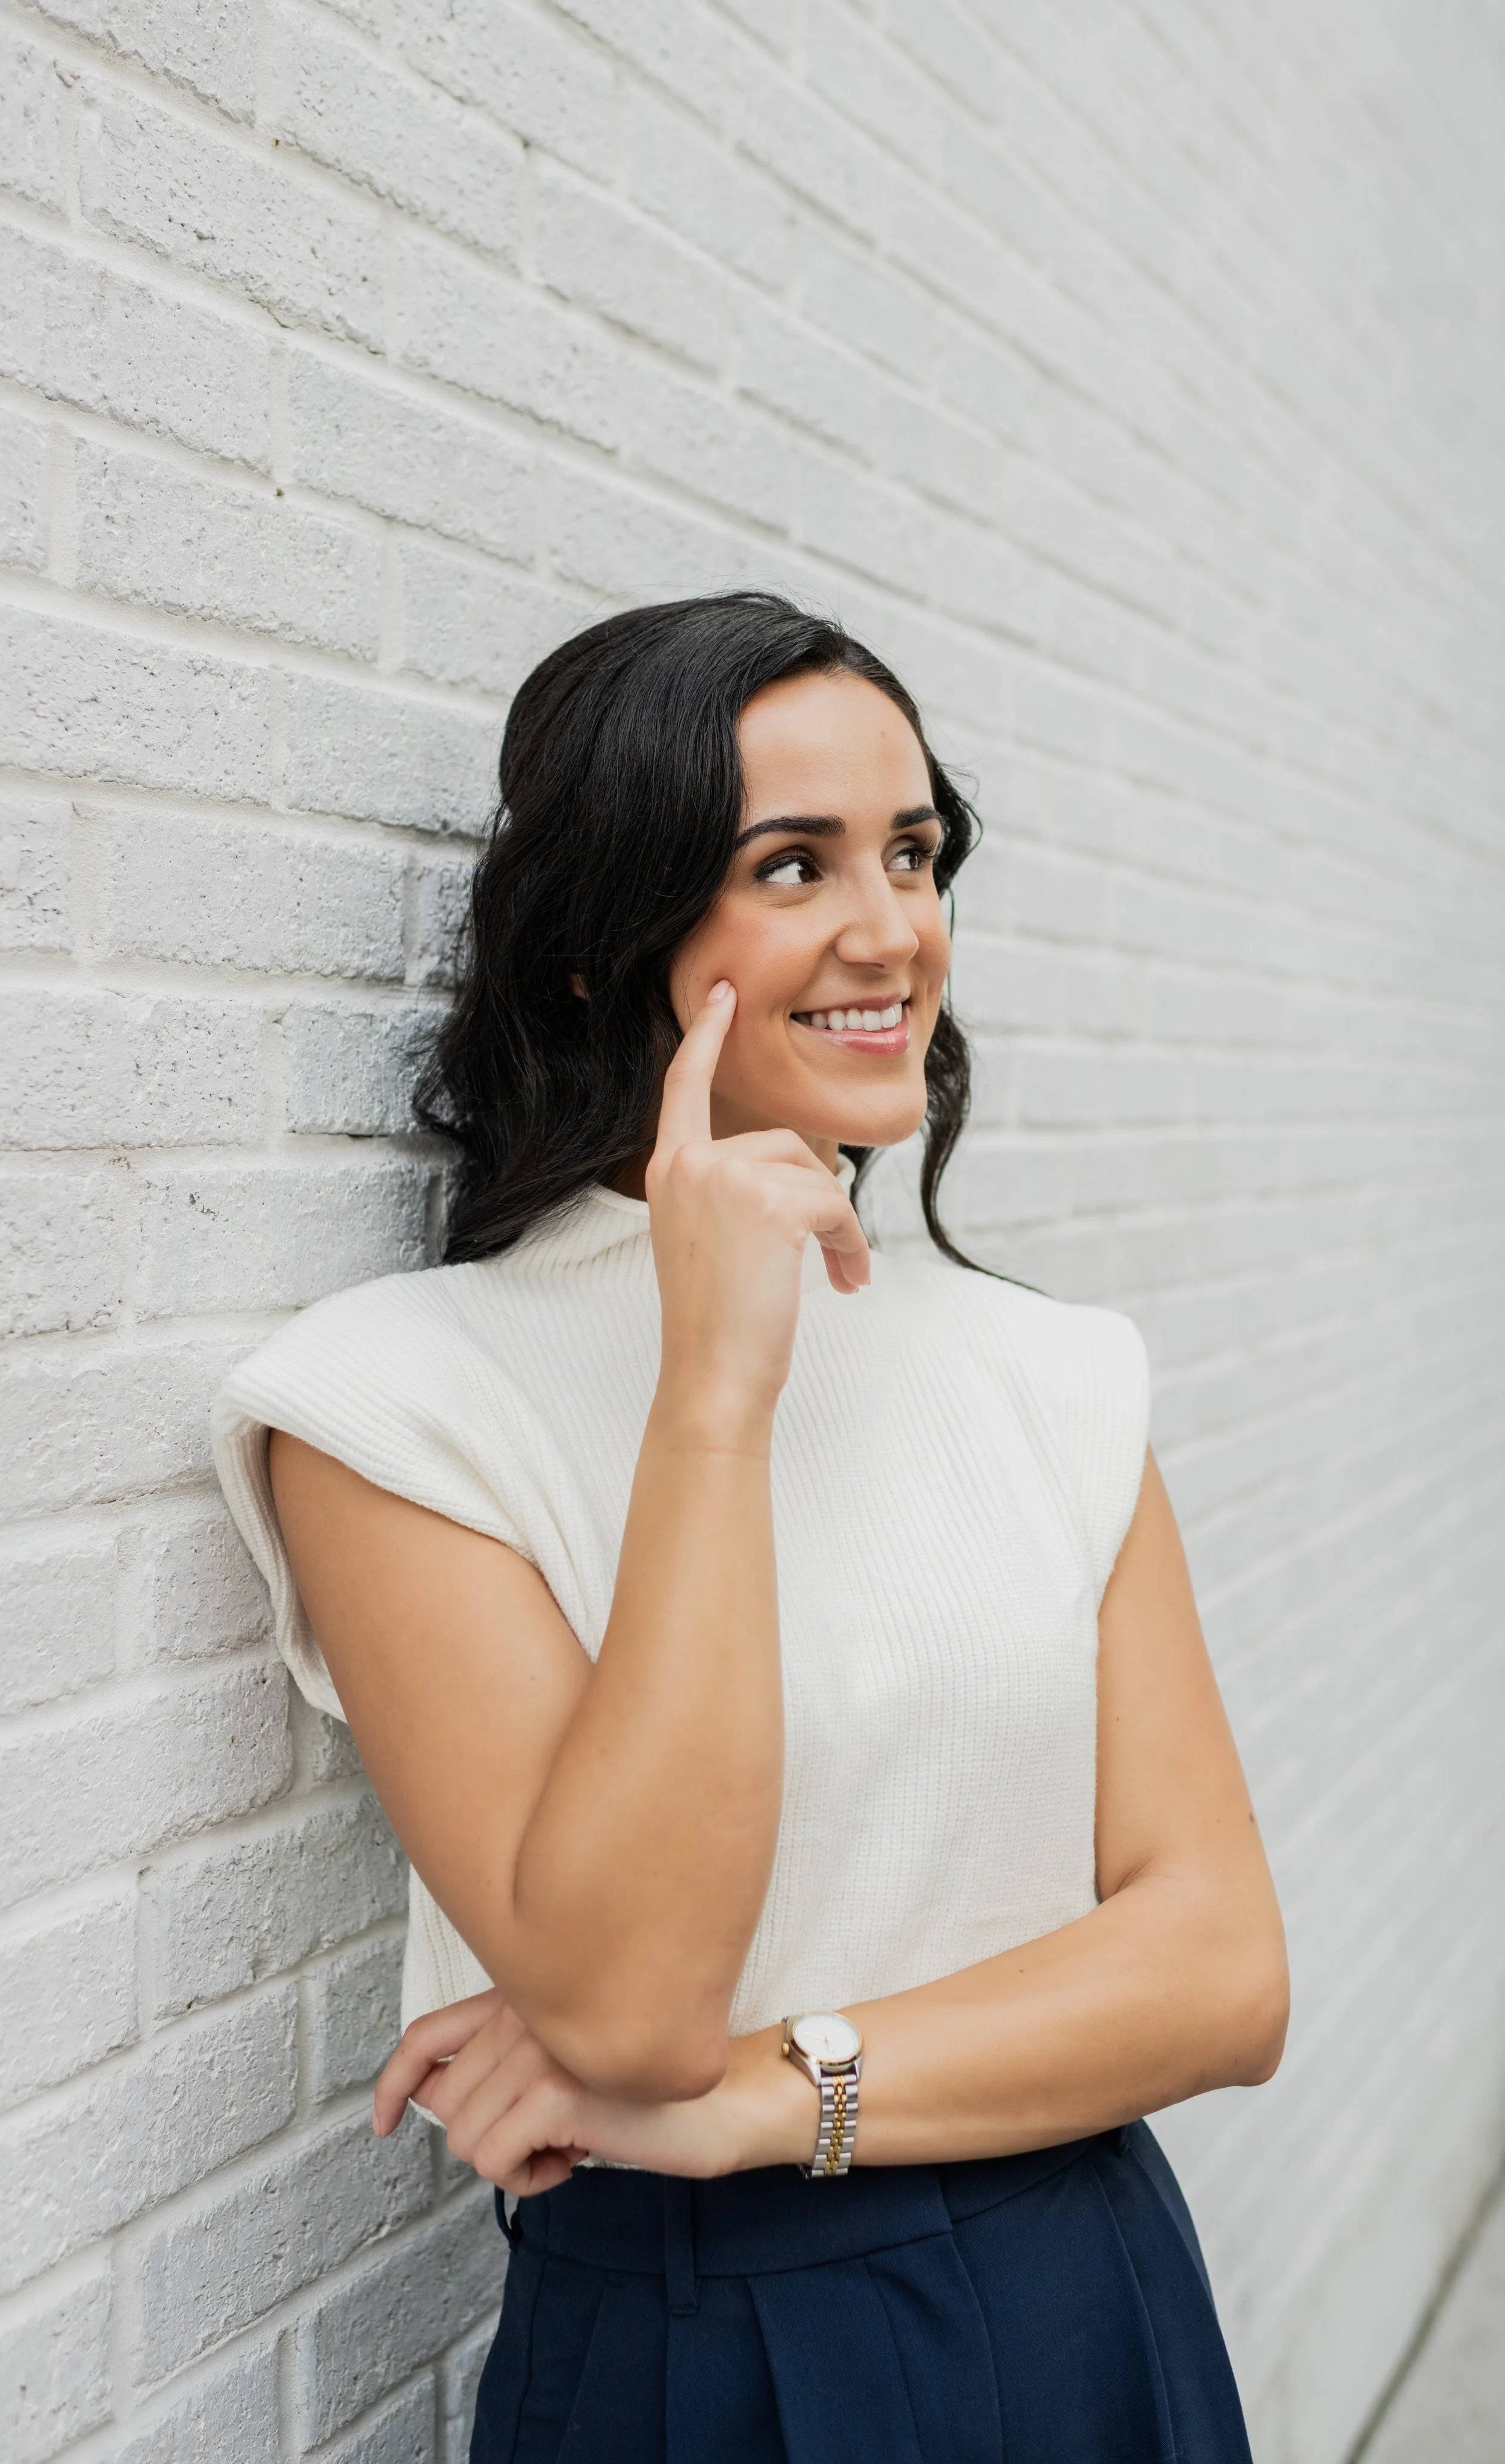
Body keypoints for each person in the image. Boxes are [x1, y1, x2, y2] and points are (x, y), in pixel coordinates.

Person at [214, 592, 1288, 2463]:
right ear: (595, 955)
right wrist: (713, 1389)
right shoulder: (394, 1403)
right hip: (694, 2356)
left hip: (1077, 2287)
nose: (891, 929)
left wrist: (763, 2097)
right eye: (791, 865)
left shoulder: (1051, 1371)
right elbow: (626, 2005)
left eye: (913, 852)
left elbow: (1218, 1968)